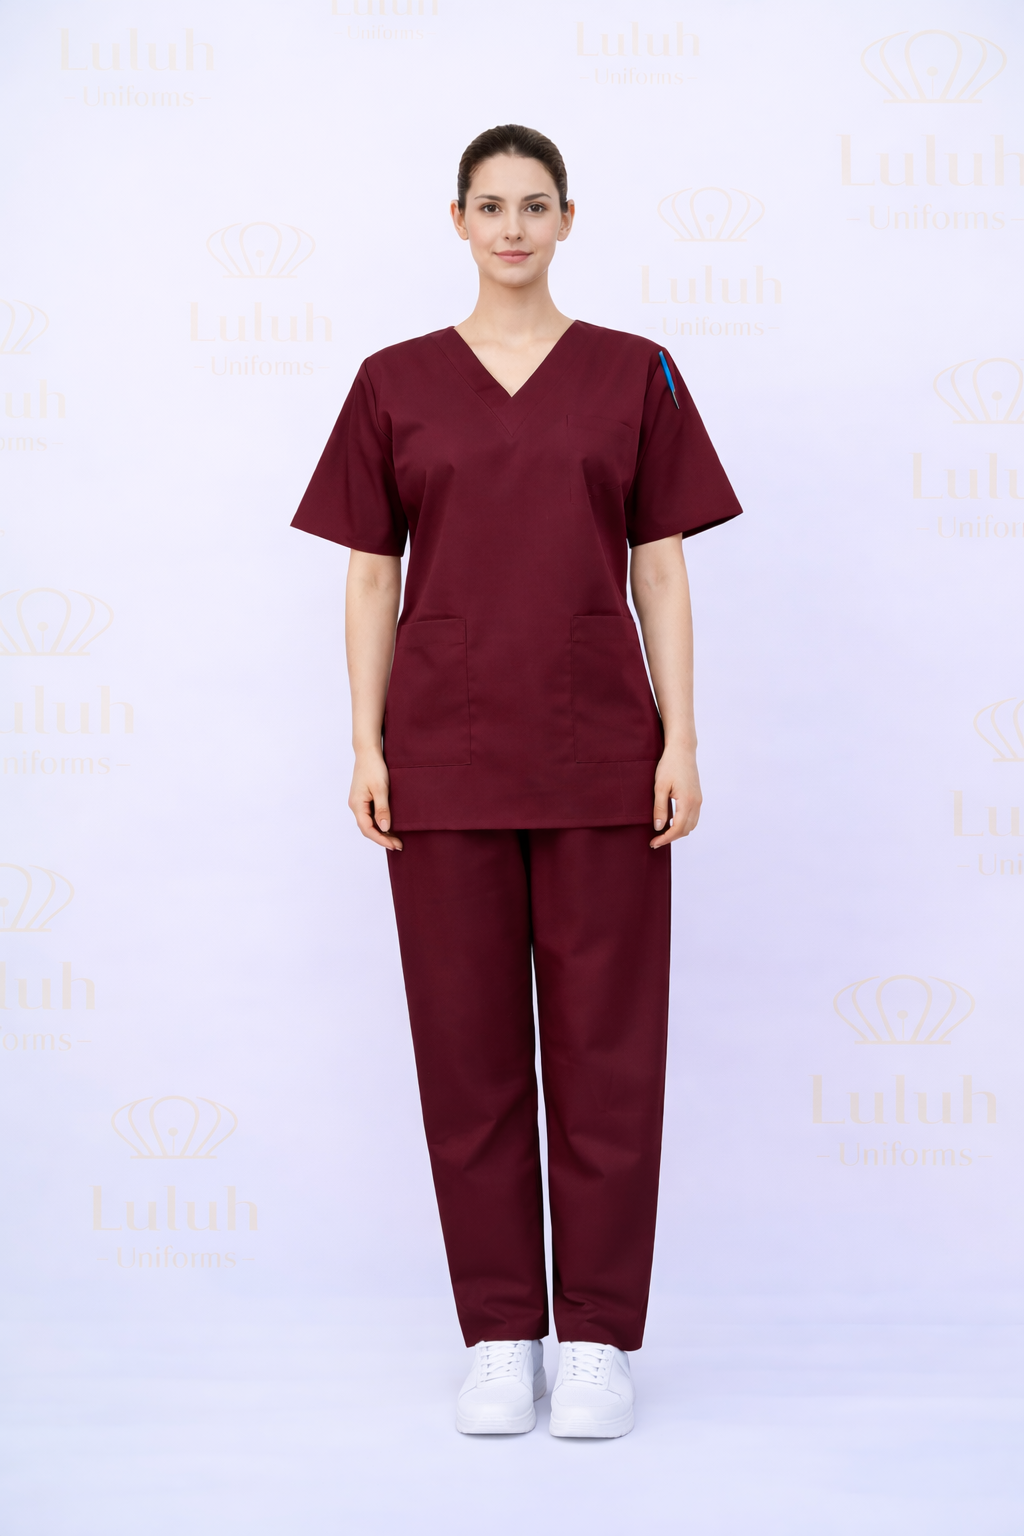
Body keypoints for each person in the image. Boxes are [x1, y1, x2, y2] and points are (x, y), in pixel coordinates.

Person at [292, 124, 741, 1438]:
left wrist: (681, 739)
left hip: (603, 752)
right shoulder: (394, 383)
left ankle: (595, 1337)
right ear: (456, 221)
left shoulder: (635, 372)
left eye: (534, 206)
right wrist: (368, 743)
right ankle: (501, 1333)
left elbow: (661, 566)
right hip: (443, 754)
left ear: (568, 220)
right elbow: (370, 573)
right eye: (490, 206)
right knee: (468, 1055)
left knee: (609, 1057)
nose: (512, 228)